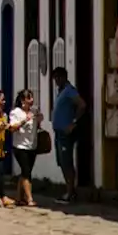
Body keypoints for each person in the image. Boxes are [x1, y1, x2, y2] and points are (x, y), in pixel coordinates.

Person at [50, 67, 87, 203]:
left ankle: (71, 192)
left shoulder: (69, 90)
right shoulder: (60, 92)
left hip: (66, 133)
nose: (56, 81)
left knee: (67, 162)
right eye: (55, 78)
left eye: (58, 78)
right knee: (62, 162)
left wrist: (73, 122)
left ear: (64, 77)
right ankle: (68, 190)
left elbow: (82, 105)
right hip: (59, 133)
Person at [7, 88, 41, 207]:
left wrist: (39, 119)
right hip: (20, 147)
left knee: (25, 172)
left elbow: (36, 128)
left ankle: (18, 198)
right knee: (27, 173)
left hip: (32, 146)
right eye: (28, 98)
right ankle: (29, 198)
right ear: (22, 100)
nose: (31, 100)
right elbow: (12, 128)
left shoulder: (34, 111)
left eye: (32, 98)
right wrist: (25, 120)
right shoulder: (16, 112)